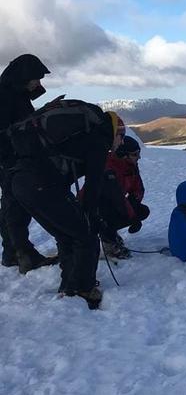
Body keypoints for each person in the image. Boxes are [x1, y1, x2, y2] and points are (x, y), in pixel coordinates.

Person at [10, 100, 125, 309]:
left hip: (21, 182)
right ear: (115, 132)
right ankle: (82, 289)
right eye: (122, 137)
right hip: (41, 184)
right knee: (86, 235)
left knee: (67, 234)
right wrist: (91, 216)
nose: (121, 143)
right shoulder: (99, 140)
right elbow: (93, 183)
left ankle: (70, 287)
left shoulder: (86, 133)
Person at [0, 54, 58, 272]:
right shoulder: (5, 97)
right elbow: (7, 129)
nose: (38, 83)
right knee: (14, 206)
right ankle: (22, 253)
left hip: (13, 157)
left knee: (11, 204)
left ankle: (13, 252)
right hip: (9, 159)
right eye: (36, 79)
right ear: (23, 77)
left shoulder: (15, 95)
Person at [88, 135, 150, 260]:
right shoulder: (108, 169)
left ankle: (110, 232)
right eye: (135, 154)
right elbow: (117, 198)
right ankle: (109, 243)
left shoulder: (130, 166)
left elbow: (138, 188)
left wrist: (134, 200)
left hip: (114, 203)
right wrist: (133, 218)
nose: (138, 157)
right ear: (123, 155)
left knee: (142, 211)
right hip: (92, 207)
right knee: (107, 213)